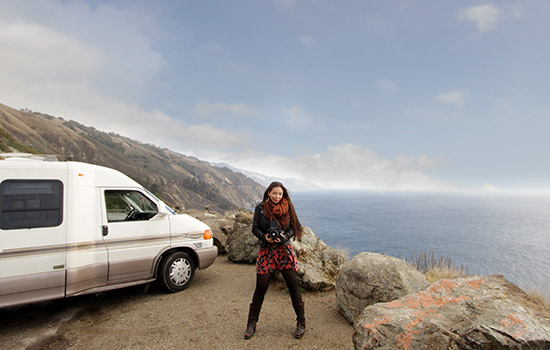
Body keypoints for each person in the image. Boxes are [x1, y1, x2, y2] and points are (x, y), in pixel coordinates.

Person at [244, 181, 305, 340]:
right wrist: (264, 237)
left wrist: (285, 236)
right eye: (274, 193)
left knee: (293, 286)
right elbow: (255, 228)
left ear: (283, 194)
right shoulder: (260, 208)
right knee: (261, 287)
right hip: (267, 250)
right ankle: (251, 323)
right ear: (268, 193)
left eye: (280, 193)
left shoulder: (287, 207)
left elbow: (292, 228)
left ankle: (301, 322)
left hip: (284, 250)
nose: (277, 196)